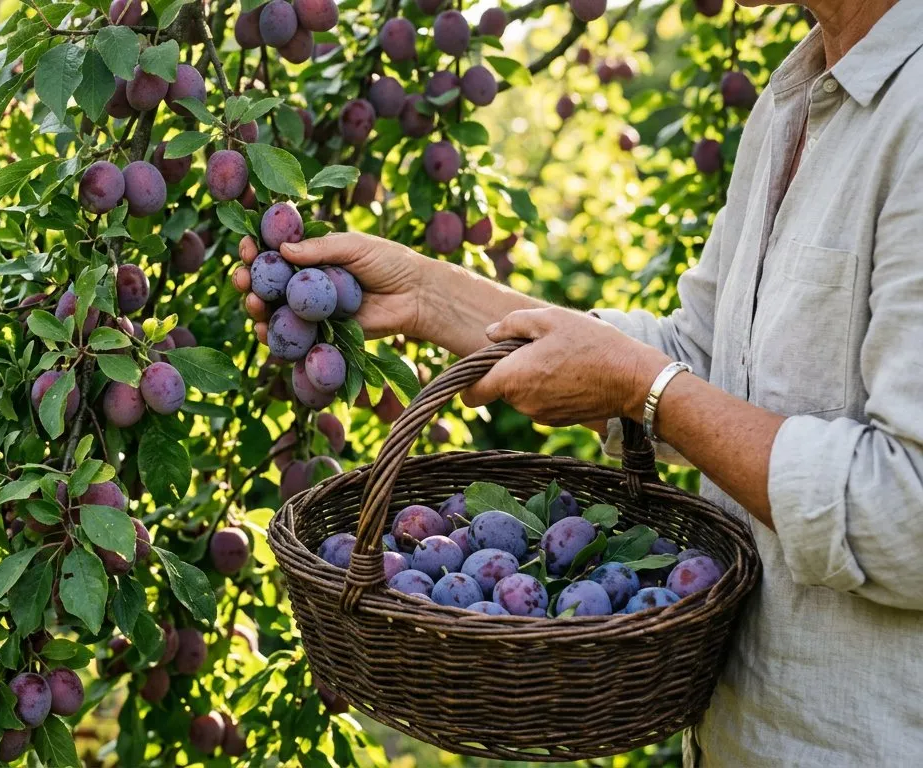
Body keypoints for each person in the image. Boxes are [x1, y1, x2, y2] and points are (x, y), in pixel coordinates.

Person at [233, 1, 923, 764]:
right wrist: (428, 296)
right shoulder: (795, 97)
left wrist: (643, 389)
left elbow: (910, 512)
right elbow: (698, 359)